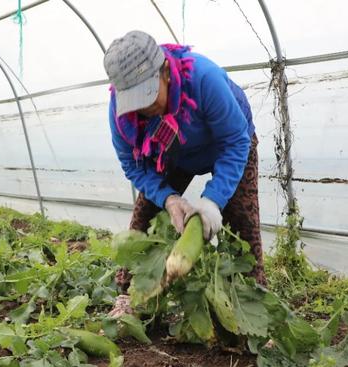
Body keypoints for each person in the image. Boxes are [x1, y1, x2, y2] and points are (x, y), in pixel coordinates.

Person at [104, 30, 266, 294]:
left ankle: (252, 300)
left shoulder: (204, 79)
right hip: (173, 152)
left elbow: (235, 142)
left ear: (165, 71)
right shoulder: (120, 113)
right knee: (145, 216)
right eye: (134, 101)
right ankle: (130, 295)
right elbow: (131, 165)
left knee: (243, 223)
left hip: (229, 144)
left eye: (147, 95)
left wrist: (213, 200)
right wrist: (168, 199)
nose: (143, 109)